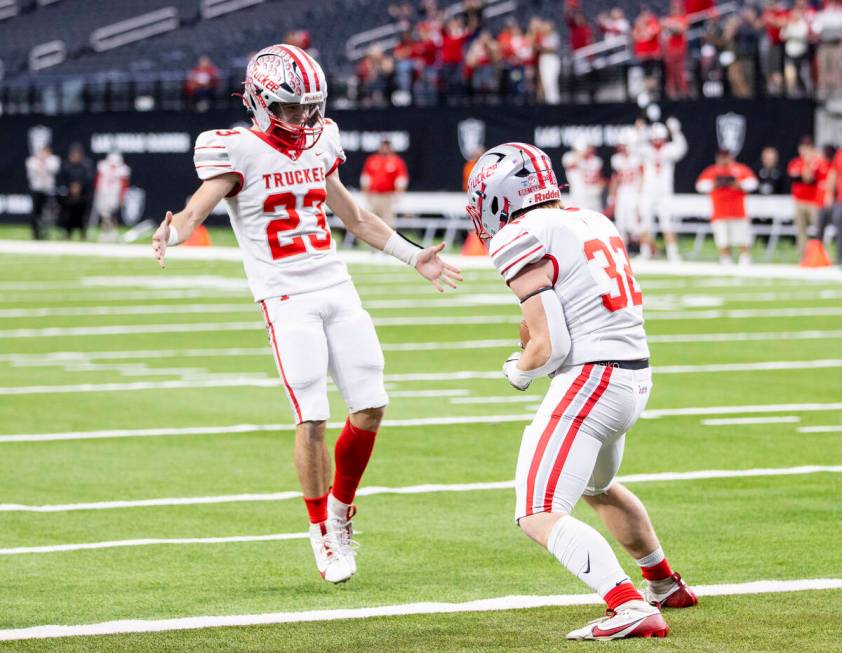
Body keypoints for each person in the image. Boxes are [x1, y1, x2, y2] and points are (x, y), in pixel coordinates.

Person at [151, 44, 461, 584]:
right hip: (285, 296)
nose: (303, 118)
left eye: (310, 107)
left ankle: (341, 509)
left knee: (371, 406)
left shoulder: (322, 140)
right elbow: (198, 208)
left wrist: (415, 257)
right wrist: (173, 233)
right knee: (313, 416)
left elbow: (355, 216)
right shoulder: (236, 149)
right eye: (292, 107)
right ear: (260, 100)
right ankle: (321, 530)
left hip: (335, 285)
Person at [465, 142, 697, 641]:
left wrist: (518, 369)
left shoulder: (519, 234)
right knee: (596, 486)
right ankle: (662, 583)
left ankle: (627, 605)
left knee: (537, 512)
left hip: (592, 379)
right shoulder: (594, 219)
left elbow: (548, 345)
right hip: (633, 376)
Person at [695, 149, 758, 265]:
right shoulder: (712, 171)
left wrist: (738, 184)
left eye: (726, 157)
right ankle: (725, 258)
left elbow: (753, 183)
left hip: (738, 211)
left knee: (742, 236)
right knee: (722, 238)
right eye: (722, 157)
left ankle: (744, 257)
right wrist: (715, 184)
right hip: (720, 211)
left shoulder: (740, 169)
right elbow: (700, 185)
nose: (724, 160)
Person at [638, 118, 687, 262]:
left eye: (660, 138)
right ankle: (645, 252)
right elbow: (634, 146)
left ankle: (672, 253)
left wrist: (676, 132)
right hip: (647, 192)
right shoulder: (646, 150)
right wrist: (640, 131)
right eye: (655, 138)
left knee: (668, 223)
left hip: (664, 193)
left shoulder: (669, 149)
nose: (657, 141)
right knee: (645, 223)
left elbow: (682, 149)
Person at [788, 137, 829, 255]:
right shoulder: (795, 163)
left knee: (819, 229)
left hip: (814, 202)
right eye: (803, 147)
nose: (805, 150)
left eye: (808, 147)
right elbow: (803, 178)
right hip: (799, 201)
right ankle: (804, 256)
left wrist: (812, 161)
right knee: (801, 230)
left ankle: (821, 254)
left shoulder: (819, 162)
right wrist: (807, 162)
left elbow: (811, 178)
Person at [360, 138, 409, 228]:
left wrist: (398, 194)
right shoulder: (372, 160)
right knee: (370, 222)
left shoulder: (396, 161)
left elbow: (401, 180)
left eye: (387, 146)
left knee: (388, 223)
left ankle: (387, 242)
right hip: (374, 195)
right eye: (383, 145)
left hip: (388, 196)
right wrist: (366, 194)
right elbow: (365, 179)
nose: (384, 148)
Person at [610, 131, 644, 246]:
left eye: (624, 145)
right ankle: (623, 250)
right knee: (621, 223)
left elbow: (643, 176)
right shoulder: (616, 159)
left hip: (634, 191)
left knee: (634, 225)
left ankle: (647, 249)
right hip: (622, 191)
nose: (621, 148)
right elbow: (615, 178)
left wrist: (641, 192)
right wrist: (612, 195)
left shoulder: (637, 158)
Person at [58, 143, 94, 240]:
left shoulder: (86, 165)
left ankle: (83, 234)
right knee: (68, 215)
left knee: (82, 216)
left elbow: (89, 179)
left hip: (83, 195)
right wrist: (70, 187)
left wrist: (79, 186)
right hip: (69, 196)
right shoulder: (66, 165)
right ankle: (67, 234)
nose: (76, 156)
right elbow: (61, 179)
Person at [25, 145, 60, 240]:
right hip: (37, 190)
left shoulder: (53, 160)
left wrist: (45, 161)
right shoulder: (32, 161)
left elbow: (54, 169)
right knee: (36, 212)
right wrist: (40, 161)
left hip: (48, 190)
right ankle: (35, 232)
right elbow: (32, 172)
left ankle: (44, 232)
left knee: (47, 213)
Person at [93, 152, 131, 242]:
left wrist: (122, 196)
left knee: (111, 214)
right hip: (104, 194)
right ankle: (106, 232)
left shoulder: (122, 170)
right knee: (104, 214)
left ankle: (112, 232)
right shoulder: (103, 167)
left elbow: (124, 185)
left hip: (114, 195)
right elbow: (98, 180)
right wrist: (97, 190)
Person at [561, 138, 605, 213]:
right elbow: (572, 165)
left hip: (590, 191)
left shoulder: (591, 159)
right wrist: (580, 153)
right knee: (580, 213)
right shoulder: (568, 157)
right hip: (576, 191)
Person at [823, 144, 842, 266]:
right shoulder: (840, 154)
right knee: (840, 230)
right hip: (841, 200)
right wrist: (829, 193)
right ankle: (840, 258)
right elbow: (833, 173)